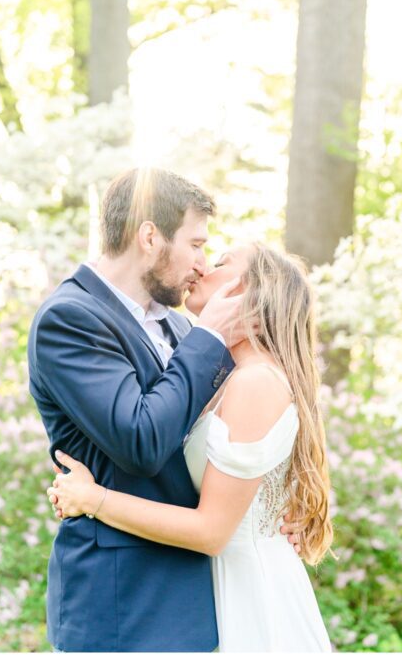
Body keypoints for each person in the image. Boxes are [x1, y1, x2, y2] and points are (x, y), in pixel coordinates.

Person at [48, 243, 333, 651]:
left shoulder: (255, 383)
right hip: (203, 591)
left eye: (219, 264)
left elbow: (212, 531)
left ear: (255, 292)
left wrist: (94, 498)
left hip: (247, 593)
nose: (201, 268)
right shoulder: (228, 372)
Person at [27, 168, 245, 652]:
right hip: (122, 603)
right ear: (150, 236)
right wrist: (211, 338)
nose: (203, 265)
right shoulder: (70, 319)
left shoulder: (182, 331)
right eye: (195, 244)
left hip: (193, 590)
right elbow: (141, 442)